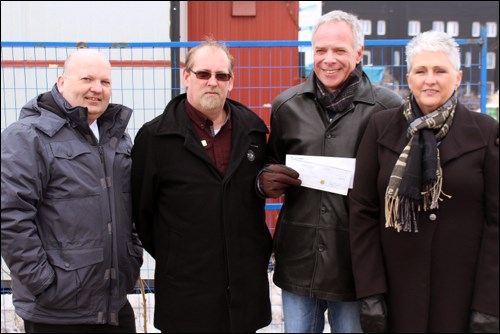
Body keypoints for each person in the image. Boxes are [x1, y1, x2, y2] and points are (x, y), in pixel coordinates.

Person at [257, 10, 403, 333]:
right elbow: (271, 164)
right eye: (321, 50)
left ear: (358, 53)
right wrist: (265, 178)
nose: (328, 59)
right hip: (299, 257)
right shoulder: (287, 106)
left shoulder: (387, 108)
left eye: (339, 50)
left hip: (355, 262)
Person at [349, 30, 499, 333]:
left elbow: (496, 222)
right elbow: (362, 211)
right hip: (395, 294)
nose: (430, 80)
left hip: (462, 297)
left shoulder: (485, 132)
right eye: (421, 71)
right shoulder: (380, 127)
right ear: (409, 79)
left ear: (457, 78)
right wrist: (370, 292)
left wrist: (489, 304)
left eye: (440, 71)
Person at [131, 40, 272, 333]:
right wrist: (178, 253)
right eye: (203, 74)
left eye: (222, 75)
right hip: (186, 292)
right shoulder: (156, 138)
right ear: (186, 76)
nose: (212, 82)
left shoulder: (254, 131)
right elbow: (142, 214)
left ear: (231, 81)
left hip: (244, 291)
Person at [1, 49, 143, 333]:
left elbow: (132, 207)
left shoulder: (117, 139)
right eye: (87, 79)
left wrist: (133, 255)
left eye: (104, 82)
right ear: (61, 81)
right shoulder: (27, 137)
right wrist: (43, 283)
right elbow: (10, 216)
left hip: (113, 305)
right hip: (56, 312)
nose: (96, 89)